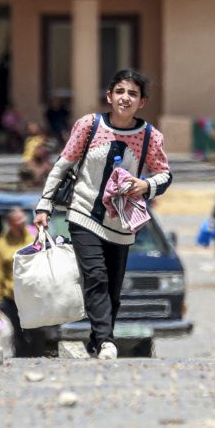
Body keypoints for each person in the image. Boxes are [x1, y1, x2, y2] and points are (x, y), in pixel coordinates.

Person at [33, 69, 172, 360]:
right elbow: (62, 165)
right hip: (83, 213)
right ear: (109, 96)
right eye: (120, 91)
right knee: (95, 276)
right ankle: (108, 340)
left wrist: (145, 185)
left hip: (120, 223)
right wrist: (44, 205)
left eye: (133, 93)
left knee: (112, 287)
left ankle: (98, 342)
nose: (125, 98)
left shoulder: (149, 136)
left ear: (142, 102)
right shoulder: (89, 125)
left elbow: (164, 175)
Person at [0, 207, 46, 357]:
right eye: (18, 219)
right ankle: (21, 362)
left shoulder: (34, 234)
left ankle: (39, 358)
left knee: (37, 331)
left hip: (35, 293)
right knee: (17, 333)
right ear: (10, 223)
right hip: (13, 296)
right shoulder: (2, 243)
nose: (22, 221)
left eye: (23, 217)